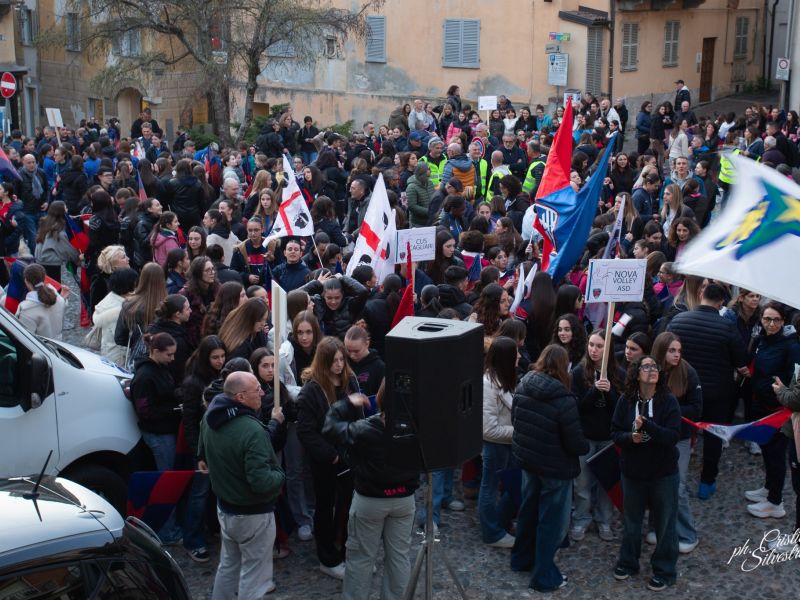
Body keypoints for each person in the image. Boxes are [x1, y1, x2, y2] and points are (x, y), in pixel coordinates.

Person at [321, 379, 418, 600]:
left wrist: (346, 404)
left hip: (370, 501)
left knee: (360, 559)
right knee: (399, 558)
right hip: (404, 499)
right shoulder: (416, 428)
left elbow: (329, 428)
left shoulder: (366, 429)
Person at [199, 371, 285, 598]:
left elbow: (202, 454)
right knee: (255, 577)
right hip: (252, 515)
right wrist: (280, 475)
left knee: (228, 566)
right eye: (256, 389)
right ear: (240, 398)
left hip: (226, 509)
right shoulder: (251, 430)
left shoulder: (210, 418)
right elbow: (262, 482)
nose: (262, 392)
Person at [510, 345, 588, 592]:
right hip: (555, 468)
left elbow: (516, 420)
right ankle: (544, 575)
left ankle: (521, 559)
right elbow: (575, 443)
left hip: (528, 461)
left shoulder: (523, 384)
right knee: (551, 522)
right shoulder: (564, 400)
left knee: (528, 511)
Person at [668, 283, 747, 499]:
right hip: (717, 393)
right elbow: (741, 360)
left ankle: (674, 477)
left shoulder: (678, 320)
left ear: (701, 294)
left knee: (679, 435)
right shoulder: (727, 327)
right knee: (714, 437)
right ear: (721, 302)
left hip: (684, 388)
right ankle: (707, 482)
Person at [611, 355, 682, 591]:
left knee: (665, 523)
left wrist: (648, 426)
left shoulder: (668, 401)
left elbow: (672, 437)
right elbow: (615, 431)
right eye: (646, 367)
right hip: (633, 472)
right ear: (637, 372)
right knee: (631, 521)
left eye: (655, 366)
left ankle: (664, 569)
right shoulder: (626, 400)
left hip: (663, 473)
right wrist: (629, 438)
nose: (651, 370)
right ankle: (628, 562)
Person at [297, 336, 361, 580]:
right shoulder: (311, 391)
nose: (339, 365)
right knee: (325, 507)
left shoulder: (350, 380)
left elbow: (359, 415)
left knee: (349, 507)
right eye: (334, 361)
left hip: (350, 455)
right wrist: (331, 456)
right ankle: (327, 558)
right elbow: (306, 432)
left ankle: (347, 551)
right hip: (327, 461)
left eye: (341, 359)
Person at [745, 302, 800, 519]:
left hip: (779, 410)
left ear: (783, 321)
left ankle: (775, 502)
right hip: (761, 405)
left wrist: (782, 392)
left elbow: (794, 380)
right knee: (767, 452)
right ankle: (769, 488)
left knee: (776, 456)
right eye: (767, 319)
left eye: (776, 319)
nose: (771, 324)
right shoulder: (761, 340)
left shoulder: (791, 346)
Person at [569, 330, 624, 542]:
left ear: (607, 349)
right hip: (586, 435)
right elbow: (576, 407)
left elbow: (621, 408)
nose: (594, 350)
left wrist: (610, 392)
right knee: (581, 482)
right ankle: (581, 518)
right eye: (591, 345)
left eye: (599, 346)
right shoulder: (578, 372)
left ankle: (604, 520)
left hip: (608, 437)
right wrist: (593, 391)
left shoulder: (618, 373)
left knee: (605, 483)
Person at [129, 331, 183, 544]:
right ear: (155, 352)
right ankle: (167, 532)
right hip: (159, 434)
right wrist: (176, 409)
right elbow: (146, 411)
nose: (172, 359)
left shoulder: (158, 368)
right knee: (166, 482)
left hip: (165, 431)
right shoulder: (144, 377)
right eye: (169, 355)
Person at [650, 332, 701, 553]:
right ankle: (657, 526)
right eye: (672, 350)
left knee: (677, 487)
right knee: (654, 482)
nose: (676, 355)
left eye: (679, 351)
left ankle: (688, 533)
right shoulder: (650, 370)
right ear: (661, 351)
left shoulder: (689, 372)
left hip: (679, 438)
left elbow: (697, 409)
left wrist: (670, 410)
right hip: (655, 436)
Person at [179, 335, 226, 563]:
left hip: (217, 445)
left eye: (222, 356)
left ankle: (212, 528)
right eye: (215, 357)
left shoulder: (221, 377)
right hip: (202, 448)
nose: (220, 361)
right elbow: (189, 422)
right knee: (199, 494)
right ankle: (193, 540)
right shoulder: (193, 384)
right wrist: (197, 454)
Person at [479, 336, 519, 548]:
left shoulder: (504, 378)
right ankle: (491, 533)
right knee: (489, 488)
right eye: (515, 353)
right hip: (495, 445)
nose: (519, 356)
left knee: (508, 486)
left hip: (507, 444)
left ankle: (500, 523)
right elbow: (488, 429)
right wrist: (518, 432)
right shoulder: (488, 384)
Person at [33, 200, 81, 282]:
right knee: (54, 286)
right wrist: (78, 258)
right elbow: (67, 248)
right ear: (61, 211)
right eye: (65, 207)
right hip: (51, 262)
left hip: (39, 258)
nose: (67, 209)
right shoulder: (59, 229)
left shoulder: (45, 223)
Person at [15, 263, 66, 339]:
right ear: (44, 277)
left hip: (41, 349)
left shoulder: (26, 309)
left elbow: (25, 339)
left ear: (26, 281)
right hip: (59, 345)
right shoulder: (59, 299)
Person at [344, 325, 385, 399]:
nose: (352, 355)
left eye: (356, 351)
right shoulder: (343, 362)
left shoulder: (379, 367)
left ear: (367, 344)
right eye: (348, 350)